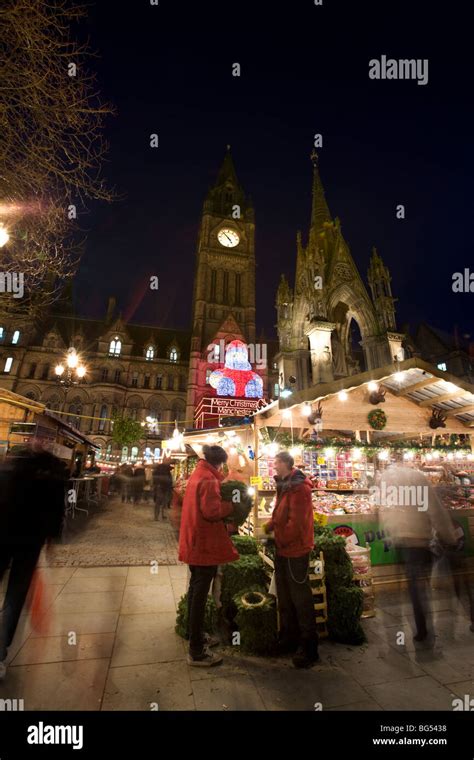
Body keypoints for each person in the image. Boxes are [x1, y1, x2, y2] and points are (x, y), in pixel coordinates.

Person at [0, 444, 68, 680]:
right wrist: (50, 540)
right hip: (30, 541)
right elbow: (58, 510)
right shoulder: (52, 475)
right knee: (15, 596)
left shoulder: (7, 469)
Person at [379, 462, 456, 642]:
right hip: (418, 539)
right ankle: (423, 627)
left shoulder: (387, 479)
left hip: (399, 539)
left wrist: (389, 531)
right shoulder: (418, 479)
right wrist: (449, 536)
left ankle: (409, 629)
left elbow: (384, 510)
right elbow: (435, 510)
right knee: (419, 586)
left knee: (411, 585)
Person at [178, 445, 239, 667]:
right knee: (200, 594)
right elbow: (212, 511)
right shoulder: (209, 479)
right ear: (220, 463)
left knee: (195, 590)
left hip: (195, 540)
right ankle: (196, 652)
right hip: (204, 544)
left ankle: (194, 633)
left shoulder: (198, 473)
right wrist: (231, 506)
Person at [263, 450, 319, 668]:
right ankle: (289, 638)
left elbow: (296, 524)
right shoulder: (285, 485)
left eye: (276, 462)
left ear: (286, 464)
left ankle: (309, 647)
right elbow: (280, 514)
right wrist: (269, 527)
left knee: (300, 598)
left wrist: (278, 538)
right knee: (285, 596)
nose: (273, 466)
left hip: (296, 550)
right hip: (283, 548)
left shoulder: (300, 489)